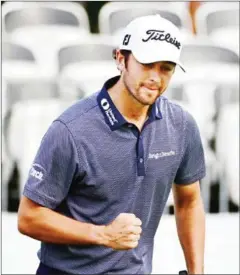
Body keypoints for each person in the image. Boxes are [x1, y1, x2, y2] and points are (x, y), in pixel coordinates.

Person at [18, 14, 206, 275]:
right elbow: (28, 217)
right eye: (147, 63)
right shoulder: (71, 130)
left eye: (166, 67)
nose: (155, 76)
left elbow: (189, 201)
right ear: (120, 59)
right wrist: (103, 235)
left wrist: (196, 271)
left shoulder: (181, 125)